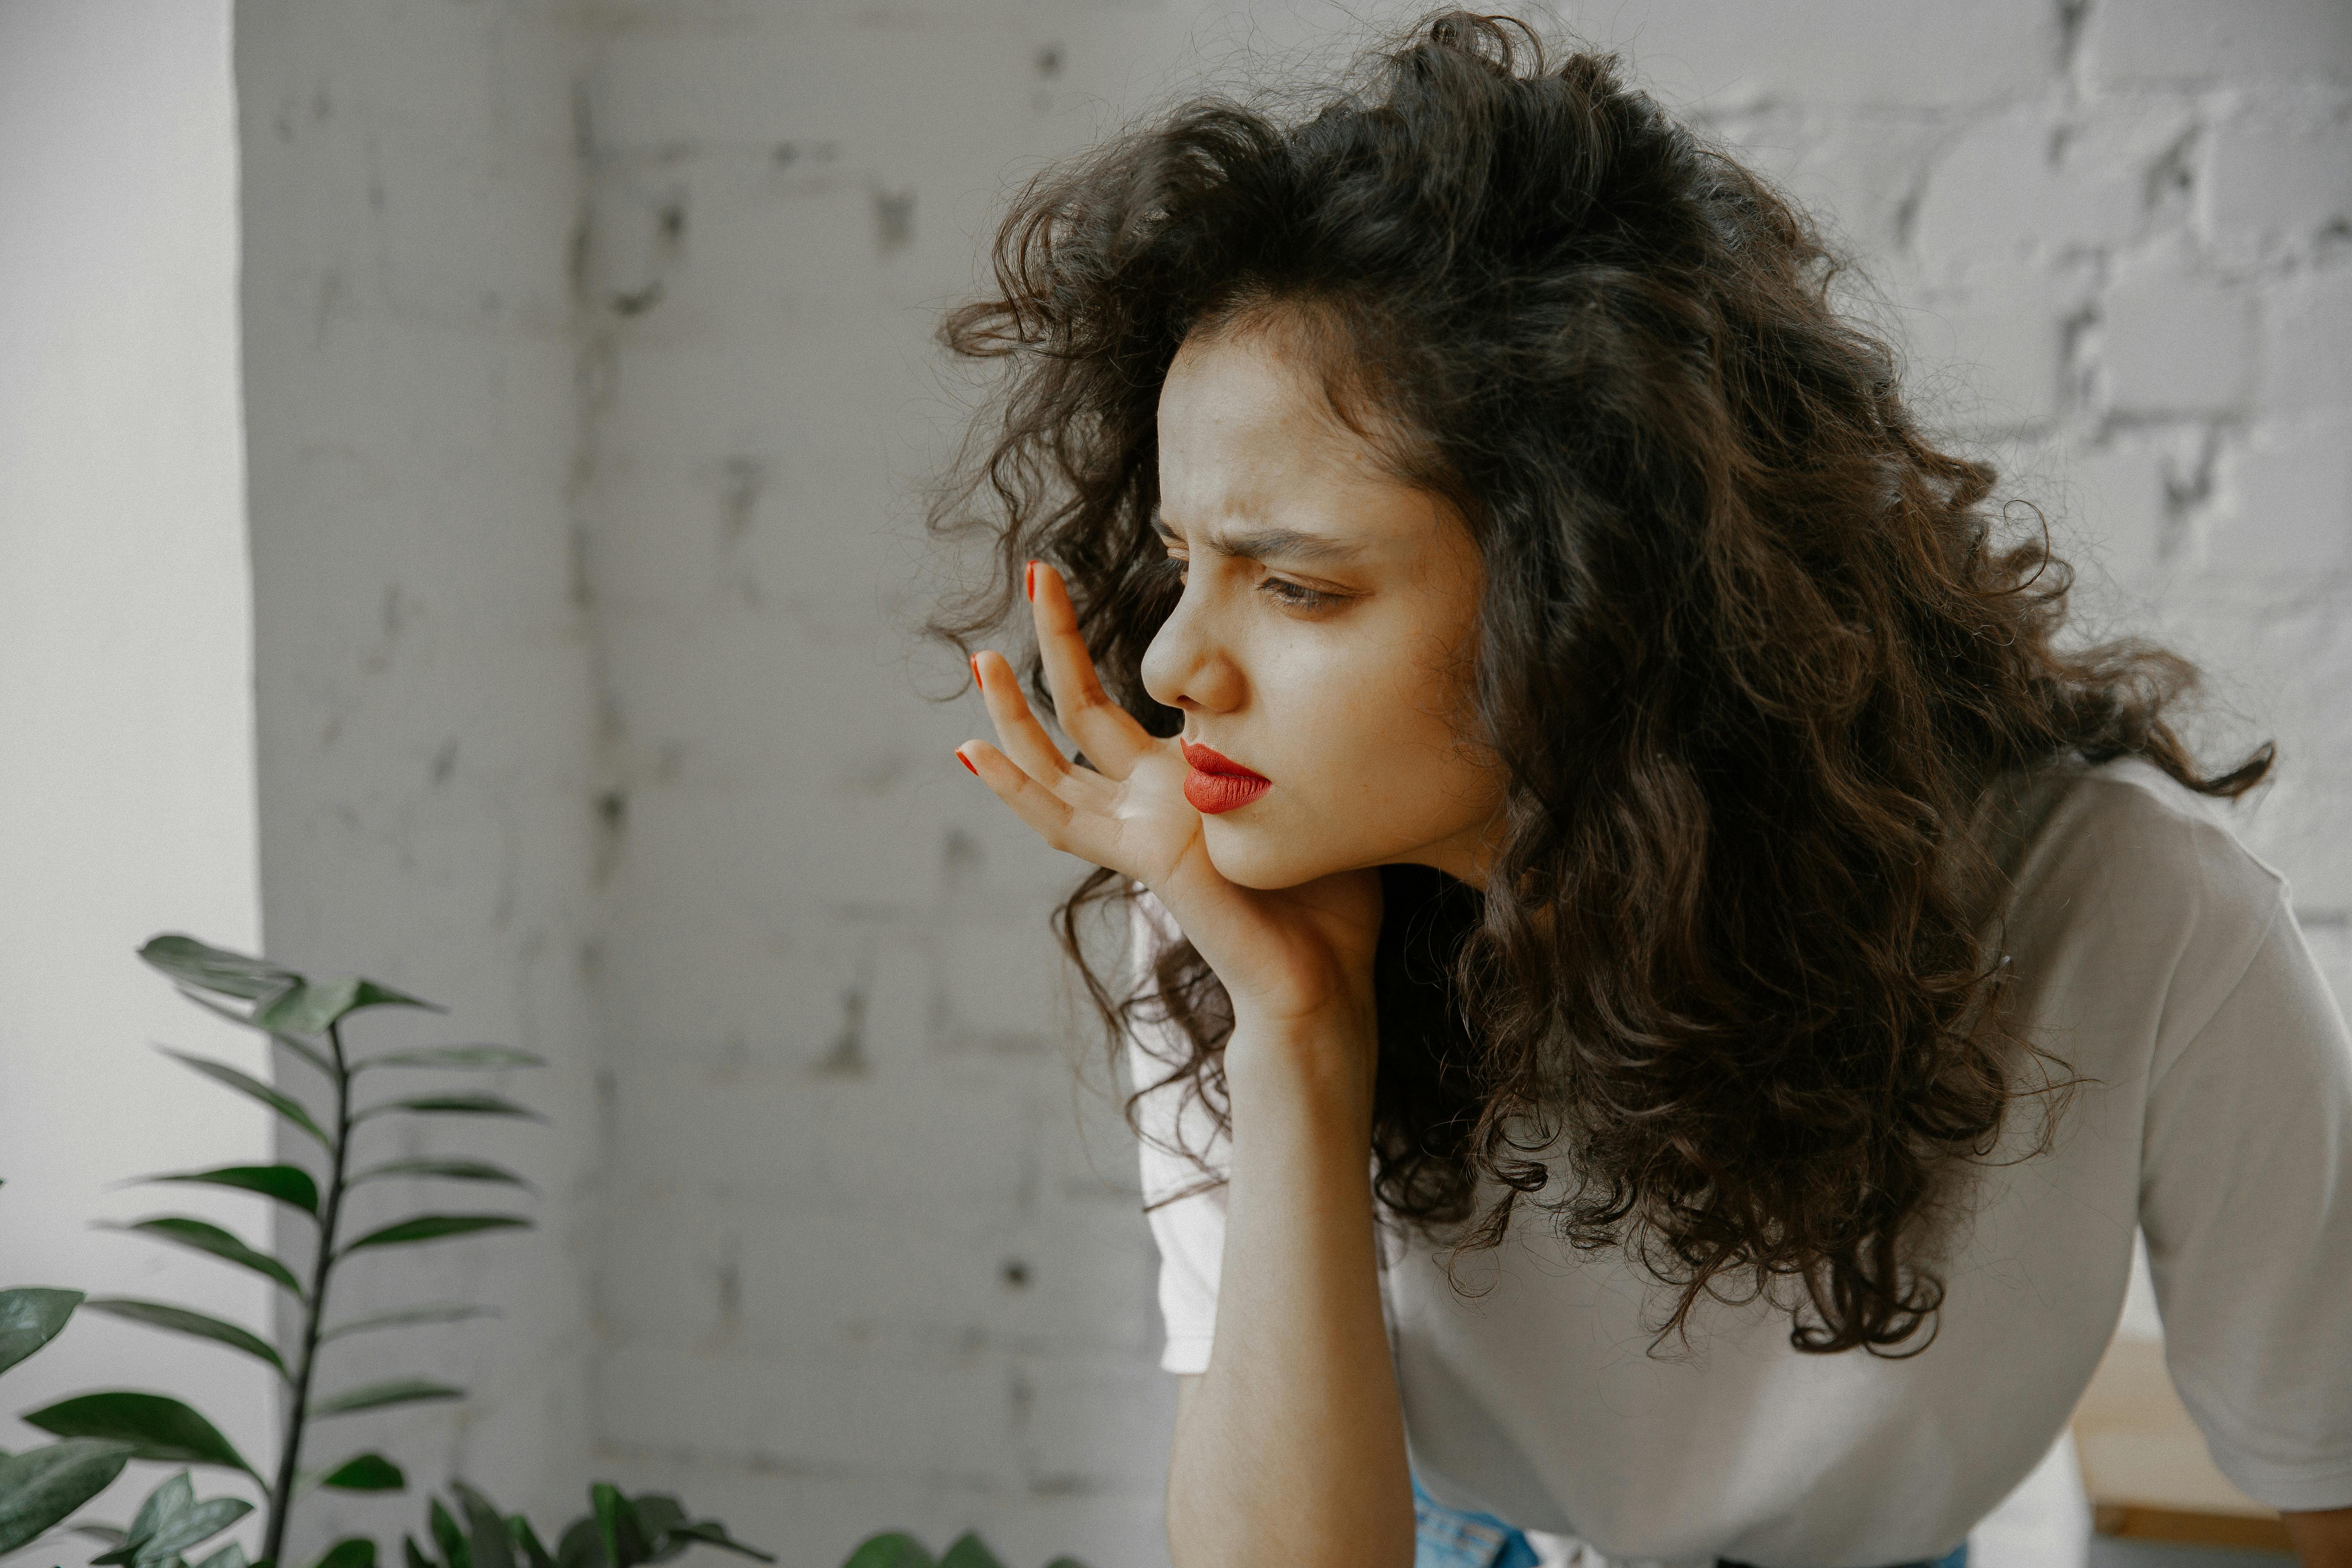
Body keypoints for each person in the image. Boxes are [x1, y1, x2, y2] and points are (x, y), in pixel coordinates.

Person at [930, 13, 2352, 1568]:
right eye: (1185, 560)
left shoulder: (2133, 920)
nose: (1173, 670)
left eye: (1299, 588)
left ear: (1592, 592)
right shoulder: (1234, 897)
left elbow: (2326, 1466)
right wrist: (1296, 1029)